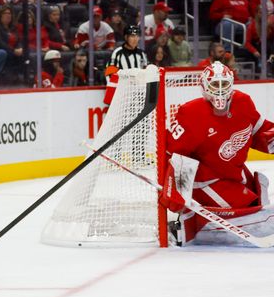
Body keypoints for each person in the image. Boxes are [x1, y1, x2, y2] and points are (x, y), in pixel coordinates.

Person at [159, 61, 274, 245]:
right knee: (249, 209)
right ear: (204, 86)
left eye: (224, 84)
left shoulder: (243, 103)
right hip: (205, 180)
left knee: (258, 201)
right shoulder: (191, 113)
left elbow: (261, 133)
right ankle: (190, 226)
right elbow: (170, 153)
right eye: (214, 84)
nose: (220, 90)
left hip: (234, 174)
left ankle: (207, 225)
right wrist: (172, 187)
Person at [104, 24, 147, 103]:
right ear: (126, 37)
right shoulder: (118, 53)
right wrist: (116, 92)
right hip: (122, 94)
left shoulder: (141, 54)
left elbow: (145, 72)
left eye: (137, 36)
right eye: (132, 36)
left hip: (139, 94)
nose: (135, 39)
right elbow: (110, 74)